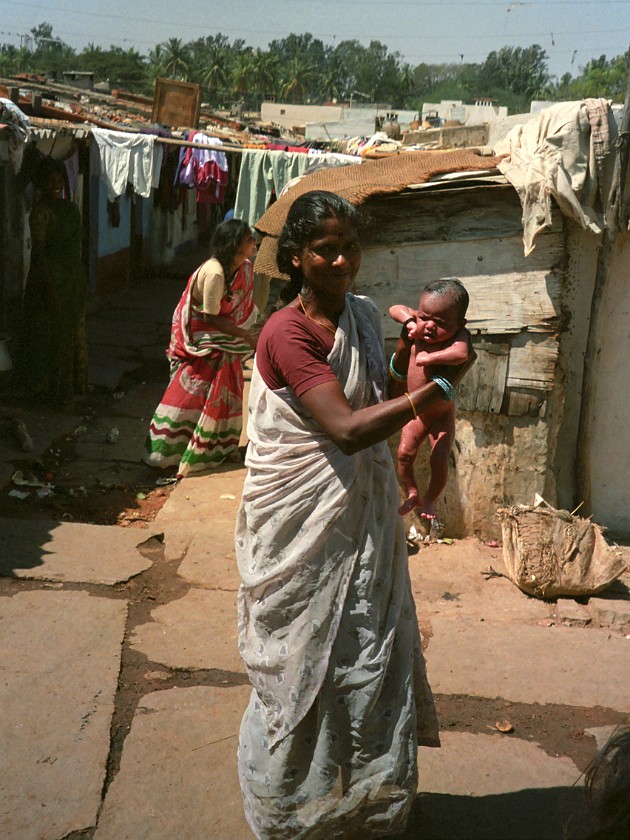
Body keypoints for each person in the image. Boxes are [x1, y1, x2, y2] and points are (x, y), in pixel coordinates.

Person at [235, 191, 475, 839]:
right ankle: (291, 814)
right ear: (294, 258)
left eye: (350, 247)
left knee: (367, 654)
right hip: (302, 528)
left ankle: (367, 807)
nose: (342, 260)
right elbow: (344, 427)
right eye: (324, 248)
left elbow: (387, 392)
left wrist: (412, 359)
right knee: (300, 665)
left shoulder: (367, 317)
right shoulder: (286, 332)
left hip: (364, 525)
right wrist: (440, 389)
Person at [144, 219, 260, 477]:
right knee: (192, 390)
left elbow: (241, 307)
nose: (254, 241)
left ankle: (217, 446)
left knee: (227, 389)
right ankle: (166, 452)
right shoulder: (215, 273)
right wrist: (244, 335)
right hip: (200, 336)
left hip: (223, 335)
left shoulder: (245, 269)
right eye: (249, 238)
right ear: (235, 245)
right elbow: (209, 318)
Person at [388, 278, 470, 519]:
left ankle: (430, 501)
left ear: (460, 324)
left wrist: (431, 358)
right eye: (425, 318)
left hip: (441, 415)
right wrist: (409, 320)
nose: (430, 326)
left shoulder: (459, 337)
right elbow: (394, 309)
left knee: (440, 457)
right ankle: (412, 491)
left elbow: (462, 354)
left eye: (441, 323)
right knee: (404, 454)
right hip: (416, 414)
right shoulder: (418, 325)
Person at [18, 157, 88, 404]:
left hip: (72, 281)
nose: (56, 183)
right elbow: (38, 254)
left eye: (60, 178)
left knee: (71, 332)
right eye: (51, 180)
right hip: (48, 283)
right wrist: (50, 290)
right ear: (41, 183)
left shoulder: (71, 209)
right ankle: (47, 389)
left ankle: (71, 385)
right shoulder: (40, 213)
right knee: (47, 335)